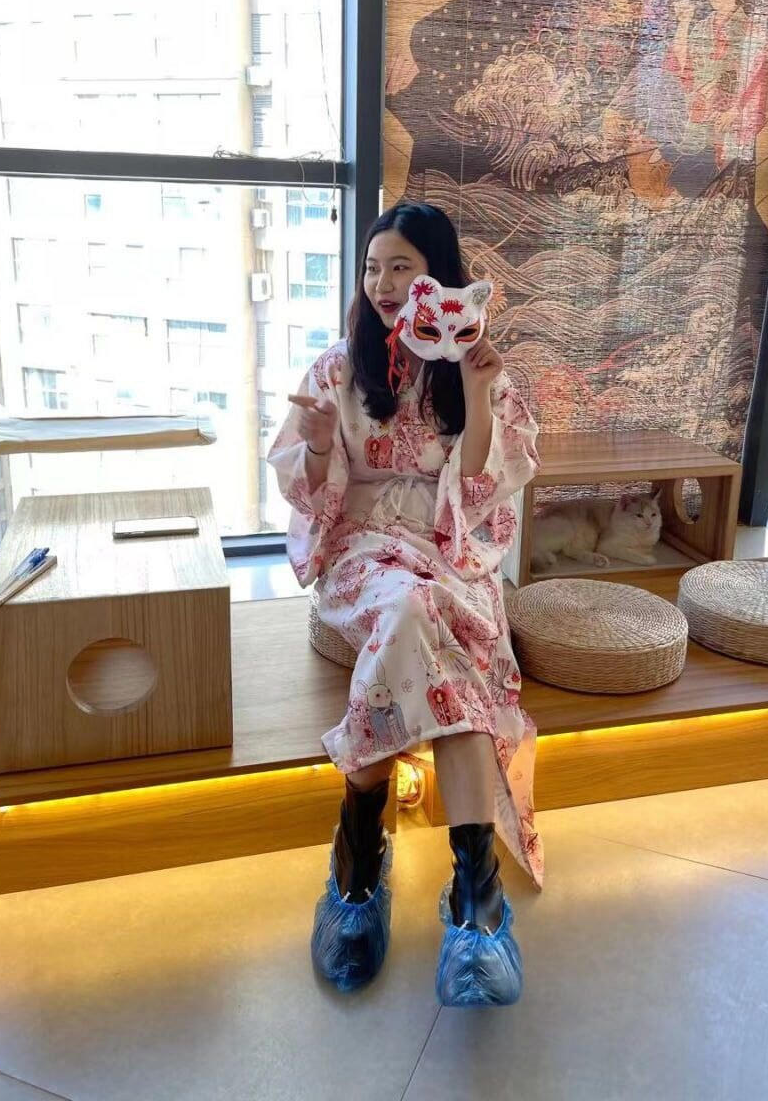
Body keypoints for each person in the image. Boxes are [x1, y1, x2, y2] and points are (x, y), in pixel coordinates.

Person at [268, 201, 543, 1007]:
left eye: (402, 267)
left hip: (449, 548)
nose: (383, 283)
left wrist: (478, 393)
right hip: (362, 547)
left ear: (440, 280)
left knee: (428, 615)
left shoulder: (474, 363)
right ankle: (476, 906)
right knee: (418, 611)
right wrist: (321, 444)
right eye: (372, 267)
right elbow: (306, 489)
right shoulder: (337, 369)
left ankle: (359, 859)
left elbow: (485, 491)